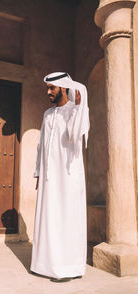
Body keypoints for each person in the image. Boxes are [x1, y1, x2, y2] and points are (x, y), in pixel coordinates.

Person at [30, 72, 90, 282]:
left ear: (63, 88)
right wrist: (38, 172)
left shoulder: (76, 111)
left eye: (52, 88)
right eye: (47, 88)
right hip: (48, 177)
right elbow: (41, 146)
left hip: (68, 176)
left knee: (66, 218)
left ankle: (67, 267)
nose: (48, 92)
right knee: (48, 217)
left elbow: (75, 135)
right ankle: (44, 264)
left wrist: (80, 107)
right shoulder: (47, 114)